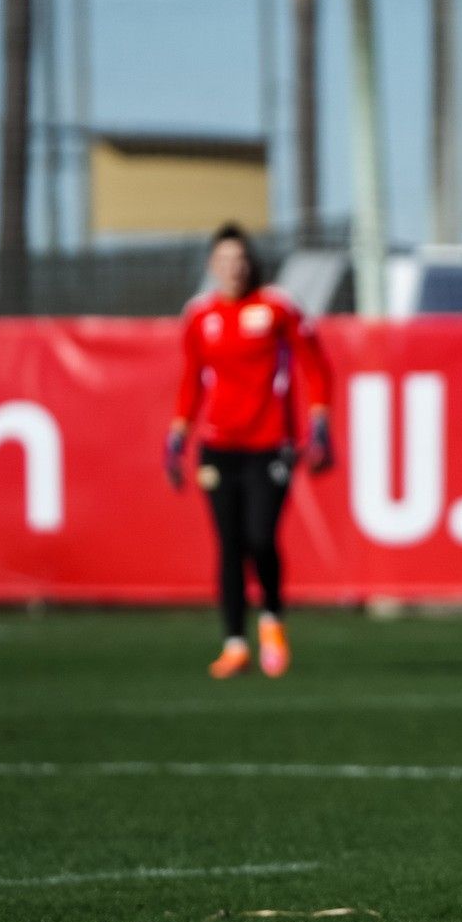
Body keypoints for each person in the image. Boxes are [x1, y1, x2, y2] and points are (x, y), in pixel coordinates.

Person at [168, 224, 334, 679]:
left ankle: (272, 620)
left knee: (260, 537)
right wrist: (178, 433)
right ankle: (235, 643)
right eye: (224, 260)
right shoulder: (200, 315)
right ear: (212, 266)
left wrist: (319, 420)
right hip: (219, 447)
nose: (233, 268)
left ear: (251, 263)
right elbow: (191, 380)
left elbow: (315, 364)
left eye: (239, 259)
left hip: (270, 444)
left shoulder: (276, 307)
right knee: (229, 546)